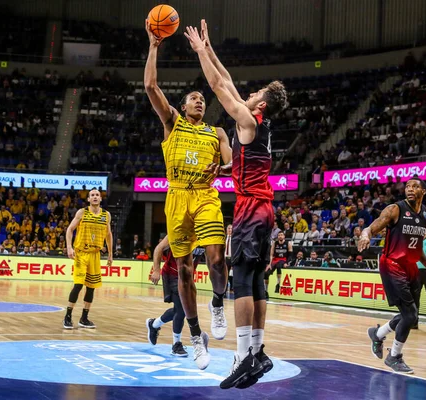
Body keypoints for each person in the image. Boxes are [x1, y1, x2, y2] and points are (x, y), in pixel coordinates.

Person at [184, 20, 288, 388]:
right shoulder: (262, 126)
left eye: (255, 91)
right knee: (258, 280)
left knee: (242, 279)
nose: (248, 93)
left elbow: (217, 85)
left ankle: (243, 355)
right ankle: (258, 352)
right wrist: (210, 48)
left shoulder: (246, 119)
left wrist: (199, 52)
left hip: (250, 209)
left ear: (260, 103)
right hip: (266, 210)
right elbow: (226, 78)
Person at [145, 19, 232, 370]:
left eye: (201, 99)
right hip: (177, 197)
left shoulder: (218, 133)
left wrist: (223, 170)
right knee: (183, 270)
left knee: (215, 260)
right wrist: (153, 47)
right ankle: (195, 336)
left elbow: (232, 166)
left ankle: (218, 302)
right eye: (193, 98)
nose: (199, 100)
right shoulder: (172, 124)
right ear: (182, 107)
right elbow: (150, 85)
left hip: (206, 195)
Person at [361, 178, 426, 374]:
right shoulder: (395, 209)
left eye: (415, 186)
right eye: (407, 186)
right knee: (410, 314)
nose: (410, 189)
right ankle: (394, 356)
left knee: (410, 315)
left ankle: (378, 334)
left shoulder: (425, 213)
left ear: (423, 191)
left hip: (411, 266)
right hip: (392, 264)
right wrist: (365, 235)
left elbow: (416, 246)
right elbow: (371, 227)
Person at [147, 236, 205, 357]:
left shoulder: (204, 235)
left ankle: (153, 324)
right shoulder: (179, 231)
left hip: (187, 276)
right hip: (172, 274)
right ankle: (176, 344)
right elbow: (158, 249)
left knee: (178, 310)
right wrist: (156, 270)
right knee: (181, 310)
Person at [64, 189, 113, 330]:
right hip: (81, 253)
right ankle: (68, 316)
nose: (95, 197)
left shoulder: (106, 215)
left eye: (97, 195)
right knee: (78, 285)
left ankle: (84, 318)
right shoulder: (82, 212)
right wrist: (69, 247)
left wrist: (110, 254)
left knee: (91, 287)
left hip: (95, 254)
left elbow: (108, 235)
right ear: (88, 199)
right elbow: (69, 229)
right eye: (92, 195)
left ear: (101, 199)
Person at [265, 231, 291, 295]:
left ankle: (278, 284)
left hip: (283, 259)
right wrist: (269, 264)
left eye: (281, 235)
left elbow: (290, 255)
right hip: (275, 260)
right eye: (279, 235)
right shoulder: (275, 243)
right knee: (266, 273)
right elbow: (271, 254)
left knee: (279, 266)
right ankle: (266, 291)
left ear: (284, 236)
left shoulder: (288, 243)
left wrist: (287, 262)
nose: (280, 236)